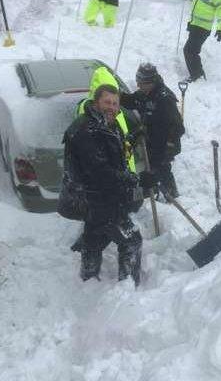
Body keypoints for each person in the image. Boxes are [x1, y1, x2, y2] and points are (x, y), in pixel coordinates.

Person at [63, 85, 156, 285]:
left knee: (95, 237)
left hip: (99, 198)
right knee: (131, 240)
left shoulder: (105, 124)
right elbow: (100, 172)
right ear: (96, 102)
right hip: (97, 198)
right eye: (107, 102)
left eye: (115, 103)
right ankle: (127, 290)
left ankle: (87, 278)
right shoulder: (86, 130)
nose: (112, 107)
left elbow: (113, 155)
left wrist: (132, 137)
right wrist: (137, 179)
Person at [120, 63, 185, 200]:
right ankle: (155, 191)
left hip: (165, 144)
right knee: (154, 168)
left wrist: (168, 148)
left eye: (141, 83)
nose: (138, 85)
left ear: (151, 82)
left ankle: (171, 195)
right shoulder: (144, 94)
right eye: (137, 81)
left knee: (161, 169)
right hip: (152, 139)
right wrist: (115, 95)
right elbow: (130, 101)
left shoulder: (164, 99)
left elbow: (178, 127)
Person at [182, 0, 221, 83]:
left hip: (203, 27)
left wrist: (220, 28)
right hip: (194, 24)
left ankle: (196, 75)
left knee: (189, 50)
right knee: (192, 51)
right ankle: (199, 74)